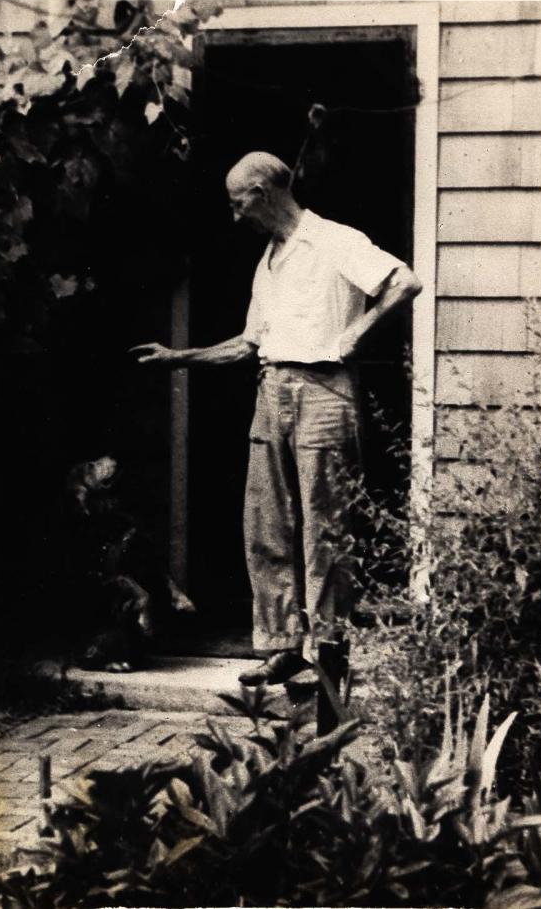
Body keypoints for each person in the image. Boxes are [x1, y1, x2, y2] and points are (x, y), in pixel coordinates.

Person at [130, 151, 422, 690]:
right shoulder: (269, 260)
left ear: (263, 193)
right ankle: (285, 645)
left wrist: (357, 334)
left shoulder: (335, 240)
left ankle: (330, 656)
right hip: (271, 390)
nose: (235, 216)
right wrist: (178, 357)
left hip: (324, 390)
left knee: (325, 528)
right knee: (266, 523)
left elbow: (403, 283)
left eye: (238, 203)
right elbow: (247, 345)